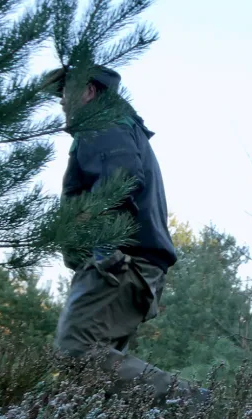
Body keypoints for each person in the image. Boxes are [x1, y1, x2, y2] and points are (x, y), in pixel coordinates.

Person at [50, 65, 201, 401]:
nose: (62, 101)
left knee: (76, 350)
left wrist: (93, 238)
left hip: (117, 262)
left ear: (89, 91)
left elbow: (122, 179)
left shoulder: (103, 124)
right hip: (131, 265)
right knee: (94, 387)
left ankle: (197, 405)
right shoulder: (120, 128)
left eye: (66, 91)